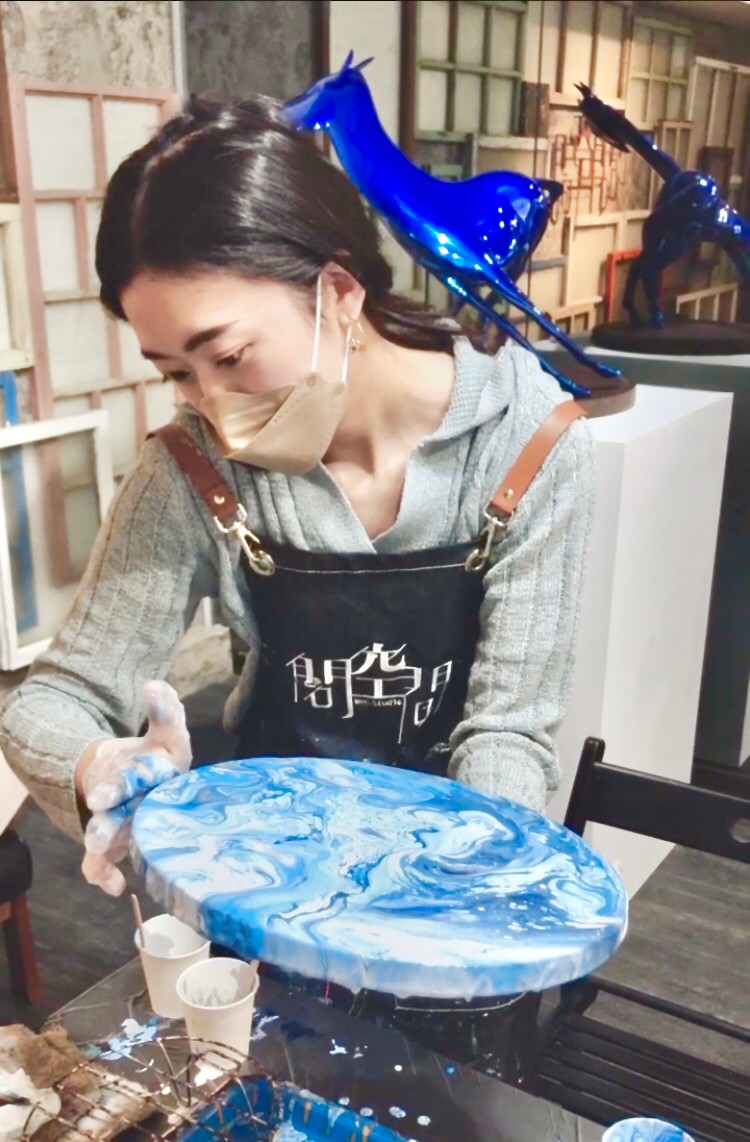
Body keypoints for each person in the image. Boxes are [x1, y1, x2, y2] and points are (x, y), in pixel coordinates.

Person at [0, 95, 594, 906]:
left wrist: (463, 889)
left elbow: (507, 732)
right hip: (265, 876)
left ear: (338, 294)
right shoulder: (191, 467)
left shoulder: (526, 445)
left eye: (229, 356)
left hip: (447, 870)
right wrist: (97, 767)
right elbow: (57, 697)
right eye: (175, 373)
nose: (211, 405)